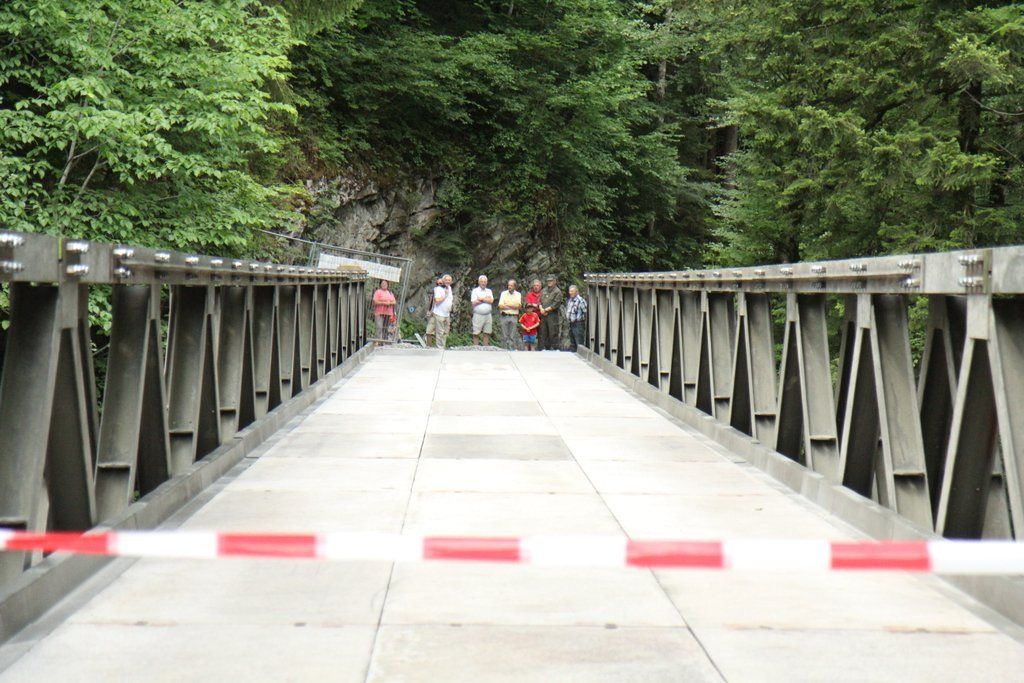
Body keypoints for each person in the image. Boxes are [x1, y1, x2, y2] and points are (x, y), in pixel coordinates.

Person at [426, 273, 453, 349]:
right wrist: (445, 295)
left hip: (447, 313)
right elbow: (436, 300)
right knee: (438, 331)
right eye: (446, 280)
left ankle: (442, 347)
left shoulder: (449, 288)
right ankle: (438, 347)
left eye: (449, 280)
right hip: (438, 313)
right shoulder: (438, 289)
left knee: (445, 332)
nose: (448, 281)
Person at [538, 274, 564, 351]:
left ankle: (555, 348)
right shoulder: (543, 290)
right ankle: (545, 348)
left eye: (551, 281)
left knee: (553, 332)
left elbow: (556, 304)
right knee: (543, 332)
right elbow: (539, 301)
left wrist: (546, 310)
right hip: (543, 315)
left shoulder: (557, 291)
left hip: (552, 315)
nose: (549, 282)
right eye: (548, 281)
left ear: (555, 281)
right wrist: (541, 309)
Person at [497, 279, 522, 350]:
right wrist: (512, 306)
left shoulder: (518, 294)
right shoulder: (503, 293)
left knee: (512, 335)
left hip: (514, 316)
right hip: (504, 316)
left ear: (515, 286)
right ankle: (504, 349)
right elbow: (500, 306)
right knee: (504, 335)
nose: (509, 287)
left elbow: (518, 306)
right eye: (508, 285)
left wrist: (507, 305)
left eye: (511, 285)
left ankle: (511, 349)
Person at [470, 274, 494, 347]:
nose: (483, 283)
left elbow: (491, 301)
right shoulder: (475, 291)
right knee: (476, 332)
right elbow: (474, 303)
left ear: (486, 282)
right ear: (479, 282)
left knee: (487, 332)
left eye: (485, 282)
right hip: (478, 314)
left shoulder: (489, 291)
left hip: (488, 315)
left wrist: (481, 299)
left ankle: (485, 347)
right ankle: (476, 347)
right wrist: (486, 299)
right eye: (482, 281)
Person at [371, 279, 397, 344]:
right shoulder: (378, 292)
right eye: (382, 283)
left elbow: (394, 302)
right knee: (379, 327)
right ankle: (378, 341)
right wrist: (384, 303)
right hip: (379, 312)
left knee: (385, 328)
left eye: (385, 283)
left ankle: (384, 341)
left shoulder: (390, 293)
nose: (384, 285)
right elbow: (375, 301)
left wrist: (389, 303)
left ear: (387, 285)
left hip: (388, 313)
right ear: (380, 284)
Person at [565, 285, 588, 352]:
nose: (570, 293)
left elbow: (586, 312)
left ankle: (580, 354)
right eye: (570, 291)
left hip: (578, 324)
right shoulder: (570, 300)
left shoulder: (581, 300)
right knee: (572, 342)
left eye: (572, 291)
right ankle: (573, 354)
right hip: (571, 323)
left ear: (576, 292)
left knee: (579, 341)